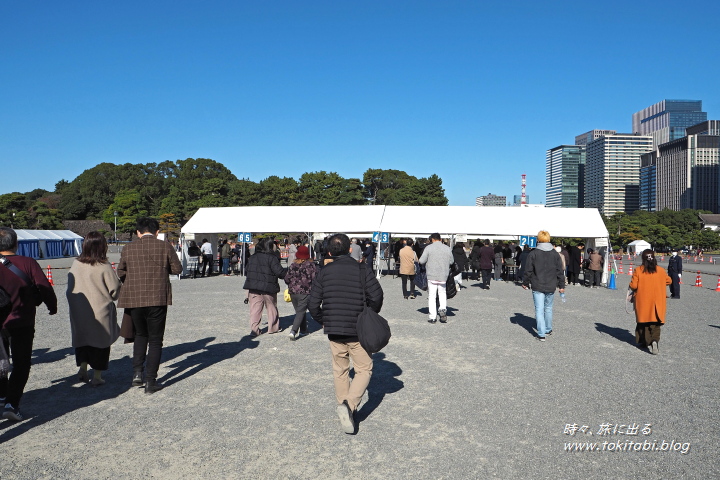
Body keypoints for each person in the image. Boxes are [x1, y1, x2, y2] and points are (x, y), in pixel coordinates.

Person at [308, 233, 383, 434]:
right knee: (364, 369)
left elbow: (313, 303)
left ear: (330, 251)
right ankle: (349, 406)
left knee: (340, 370)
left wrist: (323, 320)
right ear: (350, 249)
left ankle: (344, 405)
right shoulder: (361, 269)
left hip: (334, 329)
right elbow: (377, 295)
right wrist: (370, 313)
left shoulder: (324, 272)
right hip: (358, 328)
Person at [117, 217, 183, 394]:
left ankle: (137, 373)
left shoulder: (128, 248)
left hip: (135, 298)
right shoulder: (165, 246)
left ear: (138, 232)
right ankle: (150, 381)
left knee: (140, 335)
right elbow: (177, 269)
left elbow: (120, 271)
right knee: (155, 340)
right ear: (157, 231)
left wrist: (131, 280)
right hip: (158, 297)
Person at [0, 227, 57, 421]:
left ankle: (1, 394)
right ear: (16, 243)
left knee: (1, 361)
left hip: (1, 322)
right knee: (21, 362)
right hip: (23, 320)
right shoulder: (28, 263)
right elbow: (44, 287)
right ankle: (12, 403)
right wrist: (52, 306)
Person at [66, 232, 122, 387]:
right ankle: (97, 376)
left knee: (83, 339)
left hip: (79, 310)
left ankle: (83, 368)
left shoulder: (76, 264)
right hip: (100, 309)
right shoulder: (104, 266)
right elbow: (115, 289)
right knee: (100, 342)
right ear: (101, 247)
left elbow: (69, 289)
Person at [522, 230, 565, 342]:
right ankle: (548, 329)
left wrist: (525, 282)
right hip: (551, 284)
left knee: (539, 309)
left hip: (537, 284)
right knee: (548, 308)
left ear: (538, 239)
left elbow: (528, 270)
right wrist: (561, 285)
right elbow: (560, 271)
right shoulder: (555, 253)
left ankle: (541, 334)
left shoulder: (533, 253)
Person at [629, 249, 671, 354]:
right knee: (655, 323)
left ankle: (648, 341)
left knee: (643, 322)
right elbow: (669, 280)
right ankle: (655, 340)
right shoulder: (660, 270)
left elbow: (633, 285)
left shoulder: (638, 270)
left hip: (643, 301)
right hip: (658, 301)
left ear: (643, 258)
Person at [242, 237, 287, 336]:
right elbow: (280, 272)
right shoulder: (272, 258)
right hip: (268, 287)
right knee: (271, 307)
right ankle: (273, 328)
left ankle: (254, 330)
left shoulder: (253, 257)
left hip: (253, 287)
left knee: (255, 309)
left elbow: (246, 271)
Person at [284, 246, 317, 340]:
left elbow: (287, 278)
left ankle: (303, 330)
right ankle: (293, 331)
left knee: (299, 311)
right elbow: (315, 278)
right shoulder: (310, 265)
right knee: (300, 311)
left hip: (293, 291)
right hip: (305, 291)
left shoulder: (293, 265)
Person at [419, 233, 453, 323]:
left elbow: (421, 261)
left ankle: (433, 317)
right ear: (440, 239)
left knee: (432, 296)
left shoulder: (428, 248)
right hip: (443, 275)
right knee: (442, 293)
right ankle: (442, 309)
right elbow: (452, 261)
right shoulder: (447, 248)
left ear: (432, 239)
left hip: (432, 275)